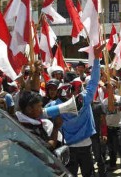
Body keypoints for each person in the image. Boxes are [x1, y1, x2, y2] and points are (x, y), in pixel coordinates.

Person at [45, 44, 105, 177]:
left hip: (69, 147)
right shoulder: (84, 98)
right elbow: (94, 81)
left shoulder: (54, 105)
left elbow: (40, 114)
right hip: (84, 146)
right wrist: (96, 59)